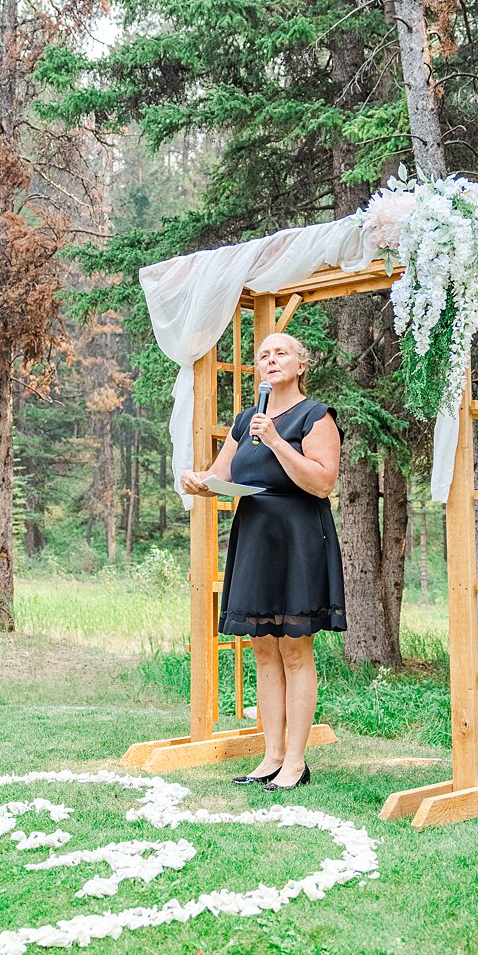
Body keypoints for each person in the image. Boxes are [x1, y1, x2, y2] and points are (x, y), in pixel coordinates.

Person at [178, 332, 344, 791]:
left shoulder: (316, 416)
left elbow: (322, 482)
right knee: (263, 648)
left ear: (301, 365)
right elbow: (221, 474)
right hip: (255, 539)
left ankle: (296, 762)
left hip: (298, 540)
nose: (271, 360)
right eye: (264, 355)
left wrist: (274, 440)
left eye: (281, 353)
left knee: (294, 647)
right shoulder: (246, 419)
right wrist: (199, 481)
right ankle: (270, 755)